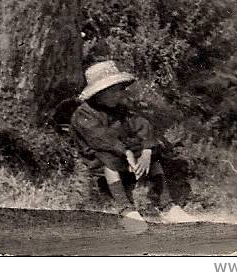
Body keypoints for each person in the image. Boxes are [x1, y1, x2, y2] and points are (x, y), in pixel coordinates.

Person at [69, 60, 194, 224]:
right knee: (109, 160)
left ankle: (167, 207)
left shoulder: (119, 108)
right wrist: (126, 152)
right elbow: (101, 139)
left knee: (152, 158)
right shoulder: (84, 114)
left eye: (119, 90)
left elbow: (142, 124)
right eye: (113, 92)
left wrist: (147, 150)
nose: (119, 95)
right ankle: (126, 210)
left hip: (124, 153)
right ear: (99, 93)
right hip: (98, 156)